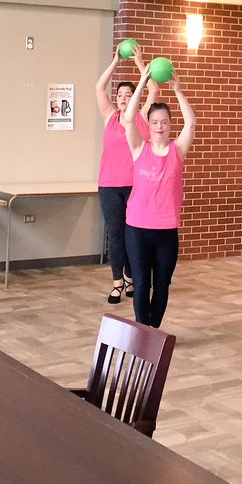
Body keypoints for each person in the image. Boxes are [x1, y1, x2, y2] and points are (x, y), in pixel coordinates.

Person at [122, 63, 195, 328]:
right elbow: (129, 119)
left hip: (166, 231)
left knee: (162, 285)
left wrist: (177, 90)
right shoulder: (138, 148)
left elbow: (192, 122)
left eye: (164, 122)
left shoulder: (178, 150)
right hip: (137, 230)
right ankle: (143, 333)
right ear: (149, 125)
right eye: (155, 122)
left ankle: (154, 332)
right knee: (141, 284)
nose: (160, 126)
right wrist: (142, 82)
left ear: (169, 124)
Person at [95, 47, 157, 303]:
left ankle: (132, 277)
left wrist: (141, 62)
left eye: (128, 94)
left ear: (134, 98)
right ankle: (117, 282)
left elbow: (153, 90)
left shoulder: (141, 117)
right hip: (109, 186)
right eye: (119, 95)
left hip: (136, 186)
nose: (122, 98)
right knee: (116, 235)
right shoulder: (110, 117)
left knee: (134, 234)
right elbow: (99, 87)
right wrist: (115, 61)